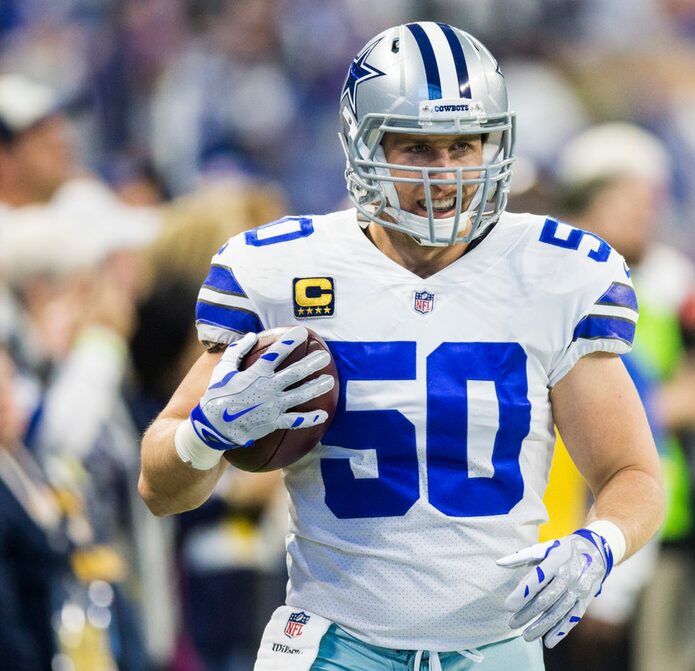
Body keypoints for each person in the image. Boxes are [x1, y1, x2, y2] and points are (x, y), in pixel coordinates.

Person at [139, 22, 664, 671]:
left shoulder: (553, 272)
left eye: (464, 145)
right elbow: (159, 485)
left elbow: (633, 473)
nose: (445, 173)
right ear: (363, 146)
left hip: (494, 646)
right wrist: (205, 432)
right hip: (335, 644)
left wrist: (600, 541)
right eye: (416, 146)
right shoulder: (282, 270)